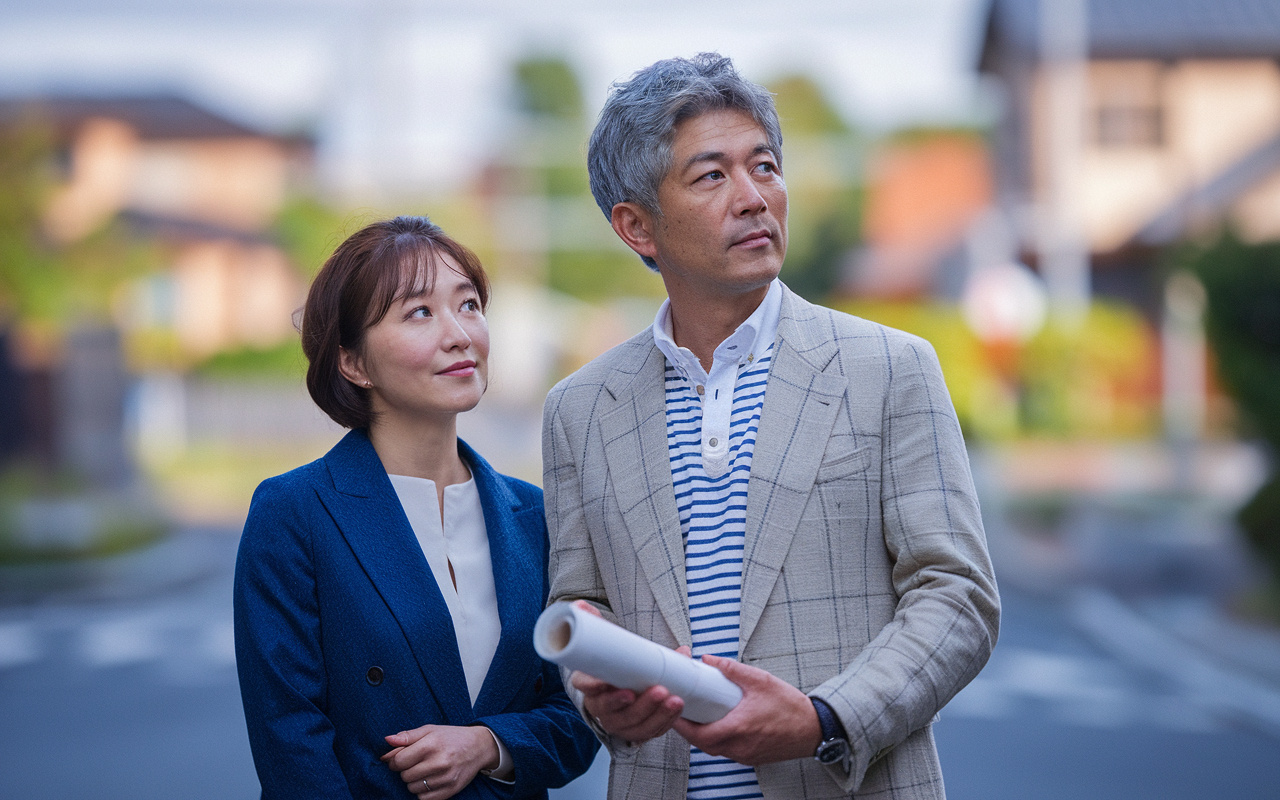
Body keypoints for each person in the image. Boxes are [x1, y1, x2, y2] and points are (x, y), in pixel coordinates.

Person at [542, 53, 1000, 799]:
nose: (754, 197)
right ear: (637, 226)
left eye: (765, 166)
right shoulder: (581, 409)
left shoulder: (890, 367)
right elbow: (577, 601)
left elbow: (957, 595)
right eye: (711, 175)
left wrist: (826, 718)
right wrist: (599, 693)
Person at [234, 215, 599, 799]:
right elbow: (290, 741)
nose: (459, 335)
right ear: (353, 363)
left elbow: (579, 714)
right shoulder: (294, 513)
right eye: (420, 312)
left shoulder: (534, 514)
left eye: (469, 305)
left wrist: (489, 744)